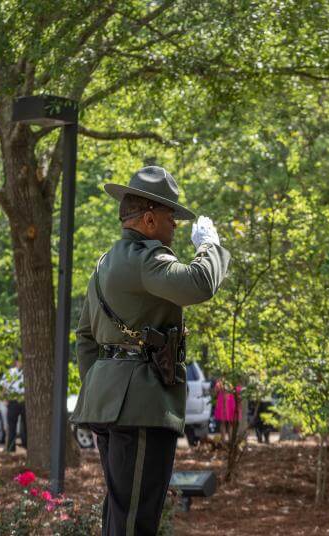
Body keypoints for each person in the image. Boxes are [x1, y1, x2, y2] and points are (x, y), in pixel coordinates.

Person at [71, 166, 230, 536]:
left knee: (121, 514)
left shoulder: (105, 263)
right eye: (170, 216)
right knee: (136, 520)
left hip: (110, 404)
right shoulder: (146, 259)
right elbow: (199, 284)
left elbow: (85, 337)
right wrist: (210, 246)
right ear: (148, 219)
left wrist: (104, 388)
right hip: (140, 405)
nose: (174, 224)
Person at [1, 358, 26, 452]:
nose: (21, 363)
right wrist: (4, 399)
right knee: (12, 427)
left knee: (25, 426)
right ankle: (11, 448)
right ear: (16, 362)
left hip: (24, 401)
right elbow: (3, 387)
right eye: (19, 361)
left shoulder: (27, 372)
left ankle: (26, 446)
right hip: (13, 401)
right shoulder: (10, 372)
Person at [213, 379, 241, 444]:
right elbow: (216, 391)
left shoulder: (222, 380)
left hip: (229, 401)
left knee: (227, 423)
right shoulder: (223, 380)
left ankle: (228, 441)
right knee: (226, 423)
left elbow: (216, 392)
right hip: (226, 401)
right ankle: (227, 441)